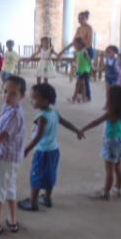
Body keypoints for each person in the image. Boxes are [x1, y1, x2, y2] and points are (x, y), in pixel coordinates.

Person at [18, 83, 82, 211]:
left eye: (35, 98)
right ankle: (47, 198)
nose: (32, 100)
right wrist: (77, 130)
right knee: (49, 174)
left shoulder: (42, 117)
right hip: (54, 150)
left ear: (45, 101)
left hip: (42, 152)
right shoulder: (54, 112)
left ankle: (33, 203)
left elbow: (38, 137)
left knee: (36, 176)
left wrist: (27, 149)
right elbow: (66, 123)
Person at [0, 76, 27, 234]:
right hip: (13, 158)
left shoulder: (14, 114)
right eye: (5, 91)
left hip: (7, 158)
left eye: (13, 93)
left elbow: (3, 135)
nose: (7, 96)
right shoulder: (10, 108)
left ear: (22, 96)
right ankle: (13, 220)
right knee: (9, 187)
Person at [80, 85, 121, 200]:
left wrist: (83, 129)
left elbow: (96, 122)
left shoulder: (111, 113)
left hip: (111, 143)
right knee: (118, 167)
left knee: (109, 169)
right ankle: (118, 189)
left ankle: (106, 192)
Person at [69, 37, 92, 103]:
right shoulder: (77, 52)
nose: (74, 46)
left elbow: (89, 60)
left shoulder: (84, 51)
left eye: (75, 44)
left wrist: (91, 69)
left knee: (80, 84)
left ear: (80, 44)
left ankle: (77, 97)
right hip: (80, 69)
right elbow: (76, 61)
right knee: (81, 84)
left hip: (85, 70)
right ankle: (81, 97)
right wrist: (73, 69)